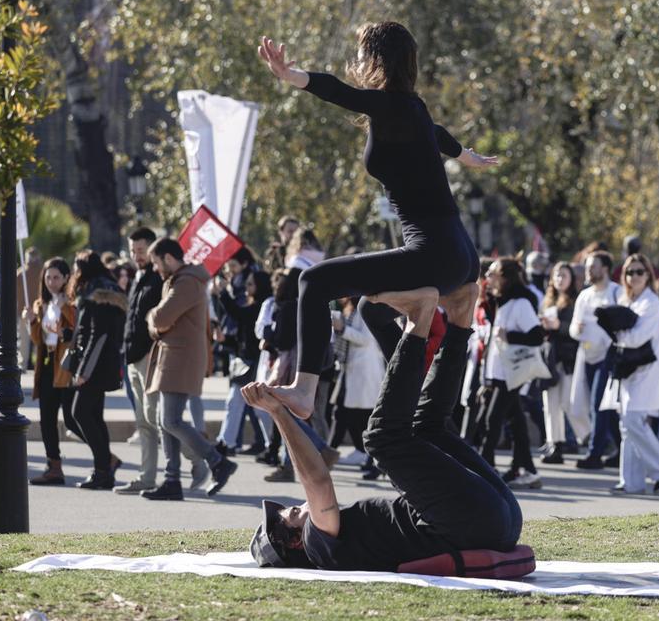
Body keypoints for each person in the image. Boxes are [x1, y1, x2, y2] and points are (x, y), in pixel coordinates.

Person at [256, 26, 497, 422]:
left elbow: (340, 92)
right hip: (460, 255)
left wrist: (293, 77)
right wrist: (466, 155)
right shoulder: (411, 109)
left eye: (362, 55)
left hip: (432, 253)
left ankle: (303, 389)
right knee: (372, 310)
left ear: (377, 61)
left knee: (313, 282)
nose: (359, 63)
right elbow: (435, 135)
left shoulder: (389, 106)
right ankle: (410, 384)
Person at [247, 282, 523, 572]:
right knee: (381, 438)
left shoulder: (338, 545)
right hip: (474, 521)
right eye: (293, 512)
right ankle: (420, 317)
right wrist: (279, 413)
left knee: (426, 427)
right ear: (293, 542)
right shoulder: (319, 548)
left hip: (499, 520)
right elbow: (317, 480)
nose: (302, 505)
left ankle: (459, 316)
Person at [141, 238, 237, 500]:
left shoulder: (187, 281)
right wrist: (157, 322)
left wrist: (152, 317)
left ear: (169, 259)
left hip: (180, 359)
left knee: (170, 420)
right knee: (164, 421)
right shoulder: (181, 280)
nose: (156, 269)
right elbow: (163, 321)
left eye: (157, 263)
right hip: (173, 356)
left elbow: (160, 318)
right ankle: (172, 480)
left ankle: (218, 462)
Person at [471, 257, 544, 489]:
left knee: (492, 421)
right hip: (499, 373)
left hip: (510, 374)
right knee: (515, 422)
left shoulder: (520, 303)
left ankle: (482, 471)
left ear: (505, 277)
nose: (487, 278)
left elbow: (536, 336)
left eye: (492, 274)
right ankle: (526, 469)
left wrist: (509, 336)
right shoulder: (500, 302)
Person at [607, 254, 659, 494]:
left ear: (648, 275)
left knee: (634, 420)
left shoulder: (651, 302)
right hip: (627, 368)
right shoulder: (627, 300)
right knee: (627, 424)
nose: (633, 276)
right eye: (629, 272)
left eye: (639, 272)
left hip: (644, 369)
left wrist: (615, 331)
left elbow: (636, 337)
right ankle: (631, 482)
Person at [66, 251, 126, 489]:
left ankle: (103, 467)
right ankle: (104, 469)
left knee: (79, 412)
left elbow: (96, 334)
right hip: (105, 362)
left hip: (95, 364)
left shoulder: (95, 294)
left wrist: (84, 369)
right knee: (94, 415)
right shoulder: (107, 289)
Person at [115, 228, 166, 495]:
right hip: (133, 358)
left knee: (161, 419)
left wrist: (150, 351)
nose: (137, 256)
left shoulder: (160, 279)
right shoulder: (137, 276)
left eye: (141, 250)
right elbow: (133, 317)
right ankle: (147, 477)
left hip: (149, 359)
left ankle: (202, 460)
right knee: (144, 422)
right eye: (133, 250)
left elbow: (161, 320)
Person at [23, 258, 80, 485]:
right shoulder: (40, 304)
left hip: (64, 367)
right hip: (46, 364)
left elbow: (76, 327)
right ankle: (53, 466)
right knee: (47, 419)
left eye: (56, 277)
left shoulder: (71, 302)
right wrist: (31, 321)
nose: (51, 282)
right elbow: (38, 339)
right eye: (48, 277)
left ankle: (105, 458)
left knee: (72, 418)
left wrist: (65, 305)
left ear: (66, 278)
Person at [570, 251, 624, 469]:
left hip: (607, 357)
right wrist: (577, 330)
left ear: (605, 269)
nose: (589, 271)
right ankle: (621, 449)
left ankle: (595, 453)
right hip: (587, 356)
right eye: (587, 267)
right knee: (606, 407)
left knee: (598, 404)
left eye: (593, 267)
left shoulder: (616, 292)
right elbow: (574, 327)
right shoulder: (584, 296)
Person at [215, 270, 273, 455]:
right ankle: (226, 442)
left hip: (256, 363)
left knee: (260, 408)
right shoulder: (253, 305)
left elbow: (239, 314)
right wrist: (226, 341)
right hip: (246, 362)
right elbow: (243, 336)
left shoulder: (262, 306)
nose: (246, 288)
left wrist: (224, 293)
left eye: (250, 284)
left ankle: (273, 445)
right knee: (239, 403)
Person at [328, 296, 385, 476]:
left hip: (364, 371)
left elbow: (367, 339)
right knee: (345, 413)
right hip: (352, 370)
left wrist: (343, 329)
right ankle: (362, 455)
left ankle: (330, 453)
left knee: (358, 416)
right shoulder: (352, 310)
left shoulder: (363, 310)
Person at [538, 262, 586, 465]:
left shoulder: (576, 301)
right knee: (550, 404)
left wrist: (560, 326)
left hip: (567, 359)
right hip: (550, 358)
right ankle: (554, 443)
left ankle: (587, 436)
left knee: (569, 402)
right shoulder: (548, 301)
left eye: (564, 275)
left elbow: (578, 331)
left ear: (571, 279)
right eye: (557, 275)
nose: (559, 279)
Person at [16, 246, 43, 369]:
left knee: (24, 340)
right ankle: (39, 363)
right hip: (39, 311)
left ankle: (23, 363)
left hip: (24, 311)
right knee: (39, 338)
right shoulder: (43, 272)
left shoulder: (20, 273)